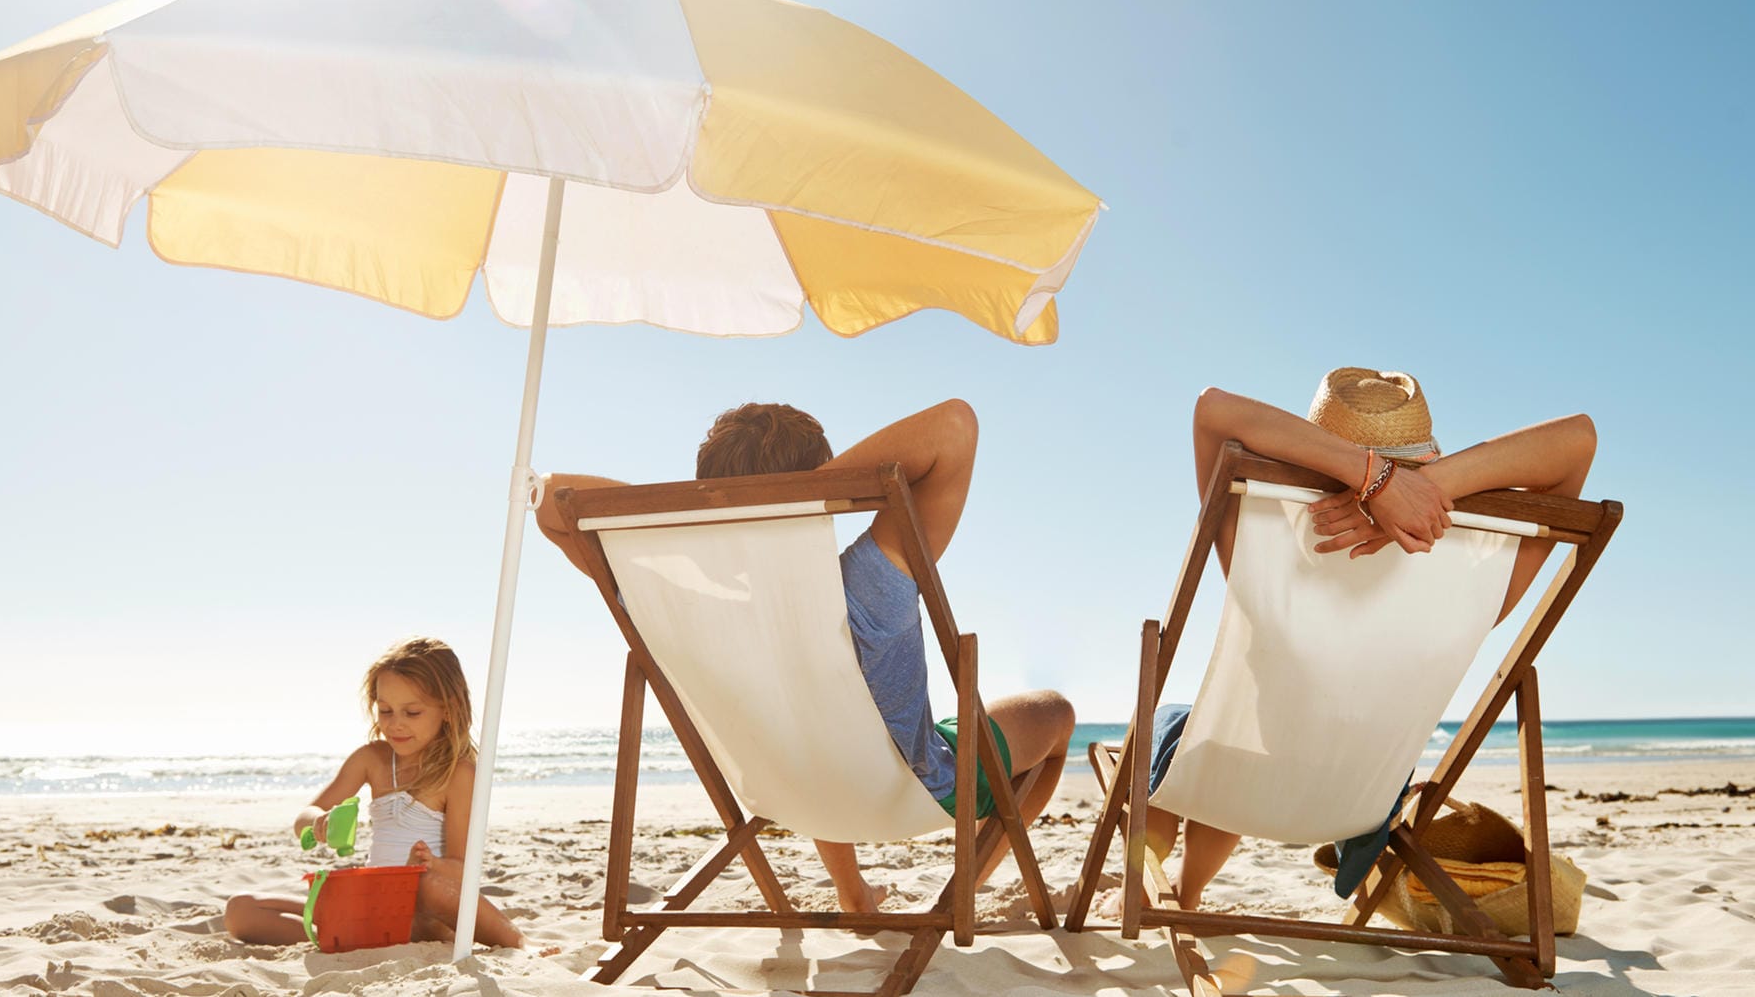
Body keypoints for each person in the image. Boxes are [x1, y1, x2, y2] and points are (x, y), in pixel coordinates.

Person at [534, 399, 1075, 913]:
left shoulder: (670, 601)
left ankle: (853, 894)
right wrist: (810, 494)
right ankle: (961, 893)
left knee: (804, 718)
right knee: (1055, 713)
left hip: (785, 790)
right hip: (916, 789)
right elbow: (954, 427)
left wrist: (712, 515)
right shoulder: (869, 584)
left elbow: (552, 501)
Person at [1145, 367, 1597, 911]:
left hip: (1236, 787)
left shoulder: (1263, 547)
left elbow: (1213, 410)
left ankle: (1180, 889)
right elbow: (1579, 441)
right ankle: (1185, 888)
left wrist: (1374, 479)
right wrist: (1424, 487)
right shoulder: (1480, 582)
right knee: (1248, 746)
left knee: (1188, 728)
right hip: (1358, 805)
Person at [222, 637, 524, 948]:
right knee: (240, 910)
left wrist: (431, 864)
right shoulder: (372, 759)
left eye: (412, 713)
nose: (396, 724)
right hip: (372, 905)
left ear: (448, 710)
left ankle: (519, 942)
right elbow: (302, 820)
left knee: (427, 883)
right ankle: (353, 937)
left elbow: (464, 869)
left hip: (426, 912)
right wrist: (317, 822)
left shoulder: (458, 773)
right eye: (385, 710)